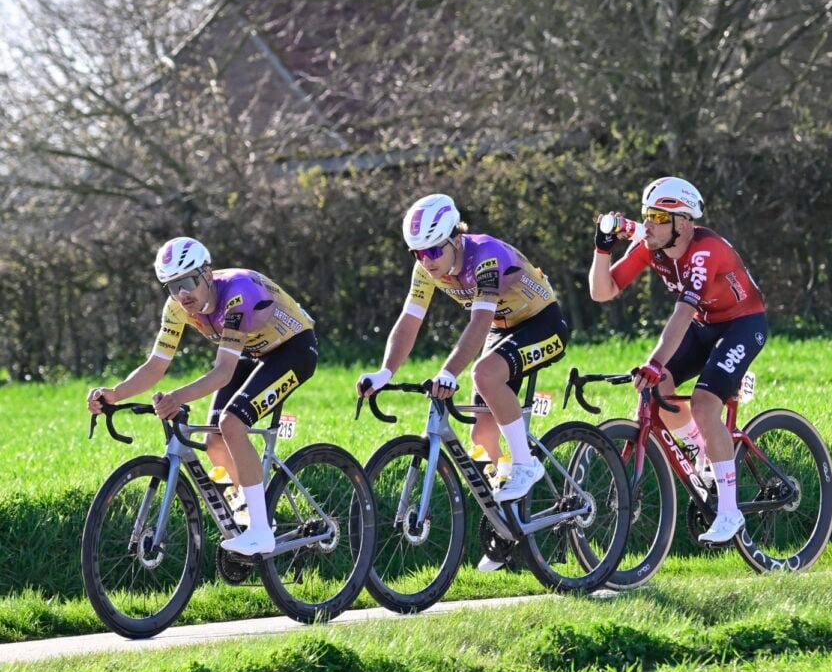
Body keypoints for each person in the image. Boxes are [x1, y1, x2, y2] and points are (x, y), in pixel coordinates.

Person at [86, 238, 318, 555]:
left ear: (206, 273)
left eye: (187, 282)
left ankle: (261, 531)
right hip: (250, 352)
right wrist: (114, 392)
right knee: (214, 441)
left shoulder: (238, 292)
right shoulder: (177, 309)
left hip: (293, 350)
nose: (181, 294)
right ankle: (257, 511)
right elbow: (156, 366)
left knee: (232, 424)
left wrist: (177, 397)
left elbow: (222, 372)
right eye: (171, 286)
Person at [357, 194, 569, 515]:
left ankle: (526, 464)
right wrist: (384, 372)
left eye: (432, 250)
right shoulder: (425, 269)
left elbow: (480, 322)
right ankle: (509, 519)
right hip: (502, 327)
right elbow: (410, 321)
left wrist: (448, 372)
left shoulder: (485, 255)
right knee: (482, 434)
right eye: (417, 253)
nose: (427, 261)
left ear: (455, 237)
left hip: (542, 324)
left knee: (484, 373)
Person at [590, 176, 767, 544]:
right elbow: (602, 292)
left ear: (683, 223)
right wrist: (602, 250)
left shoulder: (705, 251)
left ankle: (730, 513)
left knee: (704, 404)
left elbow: (683, 312)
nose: (648, 224)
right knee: (664, 386)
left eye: (657, 216)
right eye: (645, 215)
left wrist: (653, 361)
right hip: (705, 325)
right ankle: (703, 452)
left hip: (742, 324)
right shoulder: (649, 246)